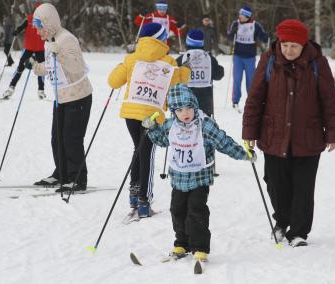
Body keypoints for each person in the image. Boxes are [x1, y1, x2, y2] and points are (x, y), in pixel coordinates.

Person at [242, 19, 335, 247]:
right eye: (285, 44)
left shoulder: (318, 63)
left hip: (308, 136)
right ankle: (282, 220)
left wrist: (333, 133)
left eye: (294, 46)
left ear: (303, 44)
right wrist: (249, 130)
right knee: (275, 183)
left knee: (303, 187)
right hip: (273, 134)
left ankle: (298, 231)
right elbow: (254, 99)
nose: (288, 50)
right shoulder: (269, 60)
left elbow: (330, 100)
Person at [142, 84, 254, 262]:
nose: (184, 113)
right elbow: (162, 141)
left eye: (188, 108)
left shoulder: (204, 125)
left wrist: (243, 154)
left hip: (200, 178)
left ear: (194, 105)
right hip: (178, 178)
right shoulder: (171, 125)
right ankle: (182, 243)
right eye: (179, 110)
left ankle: (200, 248)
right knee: (177, 210)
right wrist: (152, 128)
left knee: (196, 211)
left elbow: (223, 141)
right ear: (173, 111)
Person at [108, 23, 190, 218]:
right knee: (147, 153)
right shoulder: (169, 61)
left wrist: (123, 65)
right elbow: (180, 80)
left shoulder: (132, 58)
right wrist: (185, 69)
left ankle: (134, 194)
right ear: (161, 40)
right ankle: (144, 201)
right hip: (151, 116)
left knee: (138, 150)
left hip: (130, 113)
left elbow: (113, 81)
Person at [29, 3, 93, 192]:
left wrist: (60, 53)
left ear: (49, 24)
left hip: (78, 97)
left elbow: (76, 66)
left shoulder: (67, 39)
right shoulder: (51, 41)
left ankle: (77, 179)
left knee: (71, 139)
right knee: (57, 138)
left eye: (40, 28)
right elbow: (52, 66)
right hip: (62, 98)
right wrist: (35, 67)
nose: (39, 33)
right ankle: (62, 174)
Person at [227, 6, 268, 112]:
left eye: (242, 15)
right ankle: (235, 101)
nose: (240, 16)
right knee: (237, 79)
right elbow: (229, 37)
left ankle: (252, 100)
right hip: (238, 56)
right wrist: (232, 33)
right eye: (239, 14)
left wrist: (265, 36)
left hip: (250, 57)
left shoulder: (255, 25)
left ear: (247, 16)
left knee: (251, 81)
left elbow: (263, 38)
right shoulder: (235, 24)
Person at [2, 0, 46, 100]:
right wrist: (17, 31)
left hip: (39, 49)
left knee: (40, 69)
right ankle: (11, 87)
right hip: (29, 48)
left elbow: (49, 33)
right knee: (20, 67)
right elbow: (22, 27)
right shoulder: (30, 18)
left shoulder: (45, 21)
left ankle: (41, 90)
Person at [176, 29, 224, 117]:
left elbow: (174, 76)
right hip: (205, 104)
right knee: (204, 127)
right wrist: (220, 69)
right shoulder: (209, 58)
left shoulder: (182, 59)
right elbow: (219, 74)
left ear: (188, 42)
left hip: (185, 102)